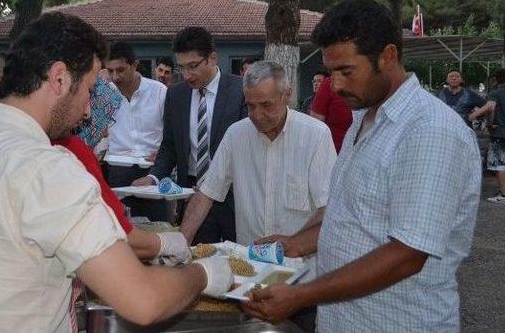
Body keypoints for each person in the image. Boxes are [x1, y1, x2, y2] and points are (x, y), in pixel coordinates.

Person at [0, 12, 232, 332]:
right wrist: (204, 274)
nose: (89, 111)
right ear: (59, 79)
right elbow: (143, 300)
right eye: (89, 90)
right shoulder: (46, 168)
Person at [243, 0, 481, 332]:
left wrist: (301, 296)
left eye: (346, 71)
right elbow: (353, 216)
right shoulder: (365, 117)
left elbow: (407, 254)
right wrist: (296, 243)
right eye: (330, 73)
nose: (335, 85)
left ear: (388, 57)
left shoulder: (430, 131)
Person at [180, 61, 336, 274]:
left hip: (300, 272)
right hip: (250, 270)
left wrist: (294, 243)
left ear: (287, 95)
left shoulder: (316, 135)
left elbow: (328, 207)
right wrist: (181, 243)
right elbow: (207, 194)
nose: (257, 115)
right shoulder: (236, 134)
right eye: (250, 106)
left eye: (266, 105)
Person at [133, 26, 246, 244]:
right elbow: (169, 146)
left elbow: (246, 148)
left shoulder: (239, 91)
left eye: (192, 66)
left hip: (234, 196)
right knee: (198, 262)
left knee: (238, 264)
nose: (186, 75)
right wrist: (153, 177)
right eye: (181, 68)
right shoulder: (176, 95)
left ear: (212, 58)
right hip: (191, 194)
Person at [105, 41, 169, 220]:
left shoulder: (159, 91)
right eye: (110, 71)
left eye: (120, 70)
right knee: (122, 230)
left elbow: (171, 133)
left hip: (151, 170)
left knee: (157, 227)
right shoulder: (105, 94)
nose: (115, 77)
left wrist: (162, 153)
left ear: (134, 65)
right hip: (117, 169)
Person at [469, 68, 505, 204]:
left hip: (500, 133)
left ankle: (504, 196)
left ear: (495, 79)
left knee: (499, 165)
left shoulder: (495, 93)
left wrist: (485, 121)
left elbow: (490, 107)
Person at [310, 74, 352, 153]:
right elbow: (315, 126)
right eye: (314, 81)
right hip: (333, 154)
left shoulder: (374, 86)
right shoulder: (329, 84)